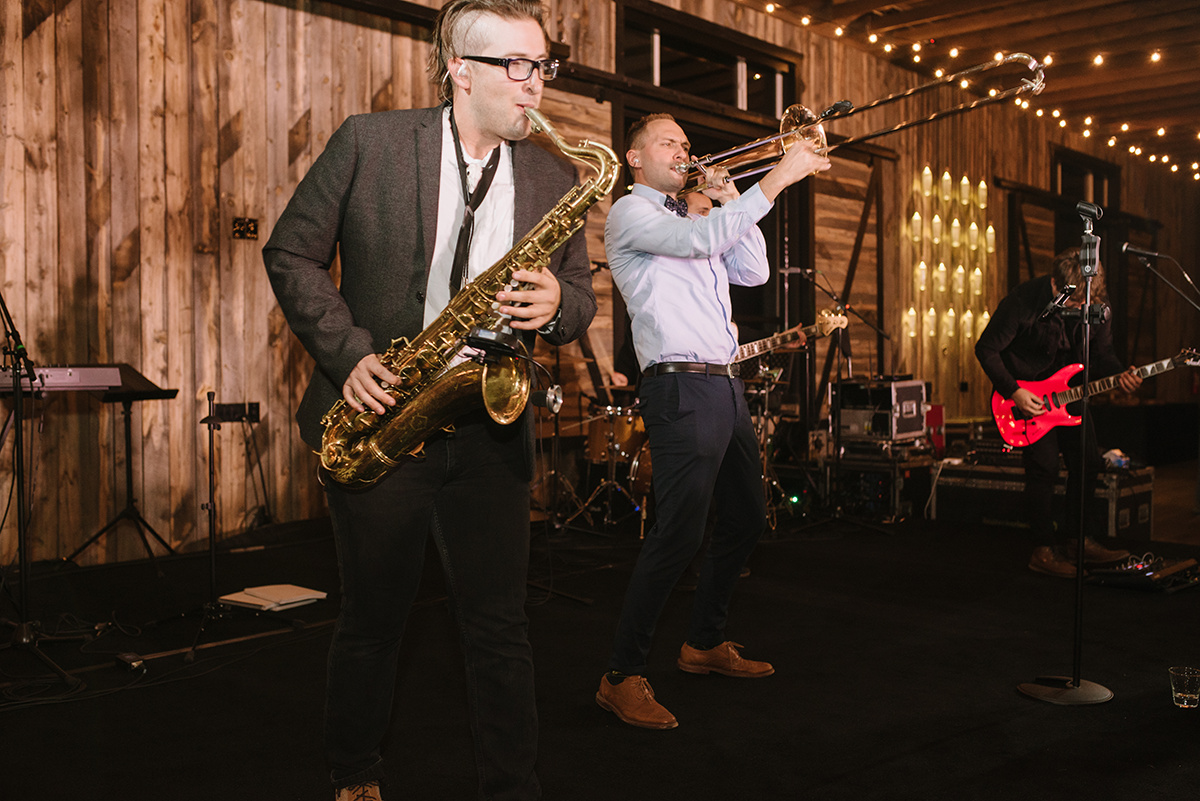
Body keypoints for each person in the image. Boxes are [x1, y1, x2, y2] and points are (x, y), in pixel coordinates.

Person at [262, 2, 595, 798]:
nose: (534, 84)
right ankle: (355, 769)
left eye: (541, 65)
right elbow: (291, 252)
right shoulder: (368, 141)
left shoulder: (556, 174)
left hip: (490, 422)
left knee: (499, 627)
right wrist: (350, 356)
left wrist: (559, 303)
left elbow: (583, 297)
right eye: (516, 65)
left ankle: (514, 785)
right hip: (384, 411)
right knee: (375, 619)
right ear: (461, 69)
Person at [595, 113, 830, 729]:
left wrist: (731, 197)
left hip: (725, 387)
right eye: (669, 142)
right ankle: (620, 675)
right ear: (635, 157)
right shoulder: (630, 213)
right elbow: (701, 246)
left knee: (748, 517)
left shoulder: (696, 217)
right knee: (678, 532)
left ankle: (702, 643)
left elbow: (753, 271)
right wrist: (777, 177)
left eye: (686, 144)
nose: (683, 151)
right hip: (678, 387)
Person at [975, 247, 1140, 578]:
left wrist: (1121, 375)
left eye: (1084, 304)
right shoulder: (1022, 302)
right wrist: (1014, 392)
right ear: (1054, 284)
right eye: (1072, 303)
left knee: (1089, 462)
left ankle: (1079, 541)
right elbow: (987, 348)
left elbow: (1103, 354)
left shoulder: (1096, 307)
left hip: (1073, 393)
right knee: (1044, 468)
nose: (1078, 309)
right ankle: (1042, 549)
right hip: (1029, 397)